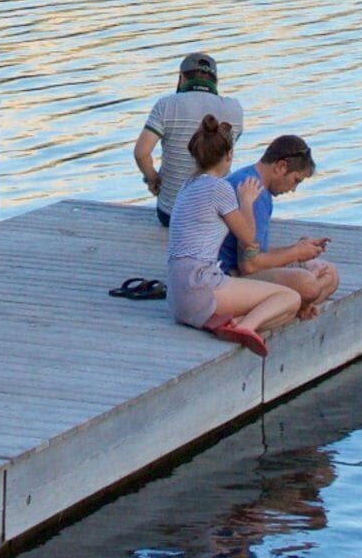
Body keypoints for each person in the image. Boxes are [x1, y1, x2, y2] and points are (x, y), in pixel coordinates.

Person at [163, 116, 303, 355]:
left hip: (176, 296)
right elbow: (249, 240)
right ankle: (244, 327)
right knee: (289, 299)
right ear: (229, 155)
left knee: (277, 306)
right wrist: (246, 201)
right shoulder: (220, 188)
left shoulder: (188, 185)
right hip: (200, 286)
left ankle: (231, 322)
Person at [216, 133, 336, 317]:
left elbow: (255, 251)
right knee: (308, 285)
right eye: (296, 180)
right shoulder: (254, 192)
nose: (293, 189)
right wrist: (296, 253)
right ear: (281, 166)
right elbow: (249, 266)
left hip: (241, 268)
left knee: (329, 273)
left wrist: (298, 248)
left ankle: (294, 305)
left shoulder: (249, 178)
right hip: (227, 277)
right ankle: (291, 305)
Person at [132, 52, 243, 222]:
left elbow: (141, 153)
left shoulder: (166, 105)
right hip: (218, 216)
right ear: (215, 82)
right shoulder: (234, 108)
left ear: (181, 78)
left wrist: (153, 179)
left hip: (171, 214)